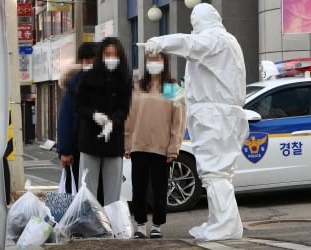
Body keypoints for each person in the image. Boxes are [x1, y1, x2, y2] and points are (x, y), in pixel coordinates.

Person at [142, 3, 249, 241]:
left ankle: (224, 225)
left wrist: (162, 42)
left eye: (195, 22)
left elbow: (191, 45)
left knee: (215, 172)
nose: (193, 28)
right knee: (215, 173)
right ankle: (221, 222)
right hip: (212, 114)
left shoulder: (216, 39)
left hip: (214, 115)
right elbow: (183, 93)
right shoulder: (221, 43)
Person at [124, 53, 185, 239]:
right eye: (150, 60)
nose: (154, 63)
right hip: (138, 145)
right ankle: (140, 224)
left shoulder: (171, 88)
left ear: (165, 62)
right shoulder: (138, 87)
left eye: (158, 59)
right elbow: (129, 117)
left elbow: (179, 120)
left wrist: (174, 147)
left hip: (161, 146)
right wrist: (126, 143)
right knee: (139, 188)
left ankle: (157, 224)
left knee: (159, 188)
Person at [75, 37, 132, 205]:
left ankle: (112, 225)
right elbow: (79, 105)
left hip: (113, 140)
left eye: (115, 54)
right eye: (107, 54)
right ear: (101, 55)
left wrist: (112, 122)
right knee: (87, 188)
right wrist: (94, 115)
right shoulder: (88, 77)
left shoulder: (124, 79)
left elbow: (124, 108)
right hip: (89, 140)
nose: (111, 58)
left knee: (112, 190)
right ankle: (87, 223)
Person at [57, 42, 97, 194]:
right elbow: (65, 120)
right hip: (77, 150)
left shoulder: (108, 85)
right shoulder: (73, 87)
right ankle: (75, 217)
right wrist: (65, 151)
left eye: (94, 60)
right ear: (81, 63)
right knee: (79, 191)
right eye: (87, 61)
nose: (91, 64)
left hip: (101, 150)